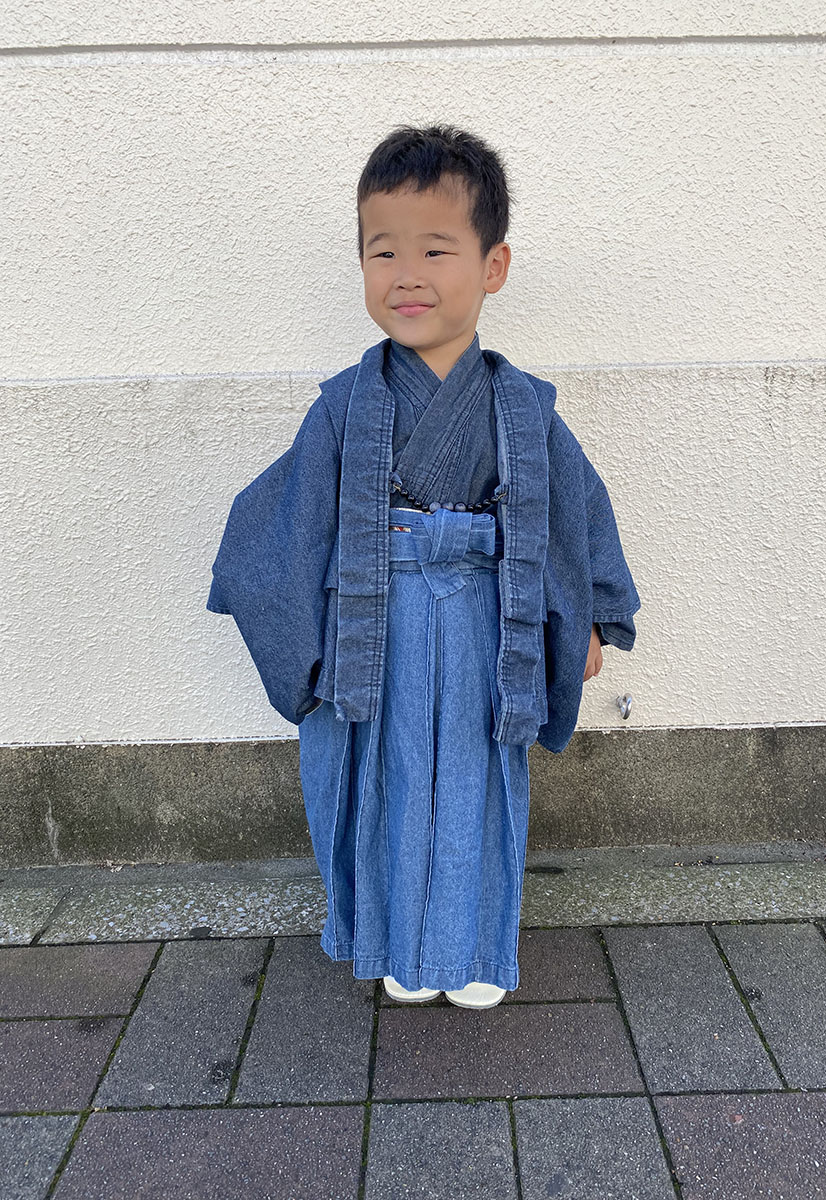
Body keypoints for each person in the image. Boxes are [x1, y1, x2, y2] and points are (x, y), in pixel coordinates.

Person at [206, 124, 641, 1011]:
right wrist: (298, 641)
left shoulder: (524, 407)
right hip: (377, 628)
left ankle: (471, 949)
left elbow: (576, 507)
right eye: (384, 251)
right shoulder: (345, 407)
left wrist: (592, 617)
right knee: (386, 778)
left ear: (493, 265)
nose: (407, 274)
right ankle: (397, 943)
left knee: (479, 779)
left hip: (490, 623)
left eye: (436, 249)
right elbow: (275, 524)